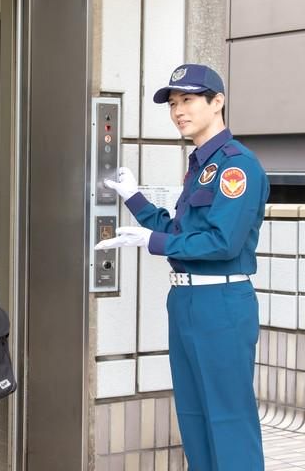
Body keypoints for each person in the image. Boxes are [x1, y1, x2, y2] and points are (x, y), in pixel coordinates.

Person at [96, 63, 268, 470]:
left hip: (221, 301)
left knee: (229, 417)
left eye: (188, 100)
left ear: (217, 102)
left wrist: (153, 242)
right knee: (193, 416)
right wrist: (134, 198)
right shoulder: (201, 165)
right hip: (187, 300)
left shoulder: (236, 166)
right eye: (173, 103)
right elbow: (180, 232)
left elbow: (222, 242)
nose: (178, 111)